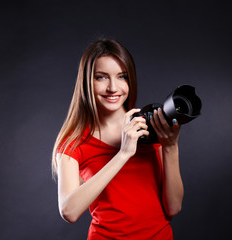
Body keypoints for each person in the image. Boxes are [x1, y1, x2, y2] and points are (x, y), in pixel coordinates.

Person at [52, 38, 184, 240]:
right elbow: (69, 211)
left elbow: (173, 207)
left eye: (122, 77)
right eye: (101, 77)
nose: (113, 87)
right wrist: (123, 154)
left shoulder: (149, 127)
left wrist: (170, 147)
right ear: (87, 82)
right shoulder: (74, 142)